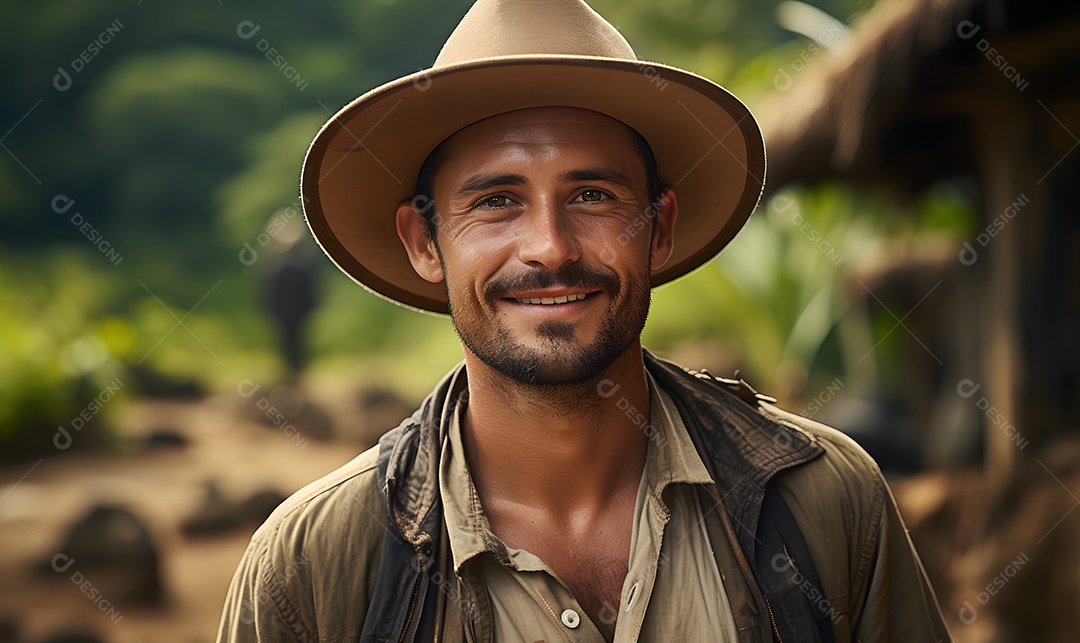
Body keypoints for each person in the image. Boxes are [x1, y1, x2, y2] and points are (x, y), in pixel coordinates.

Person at [216, 1, 953, 641]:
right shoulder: (312, 566)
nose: (551, 248)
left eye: (594, 195)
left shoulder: (828, 505)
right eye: (497, 200)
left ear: (659, 227)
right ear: (424, 242)